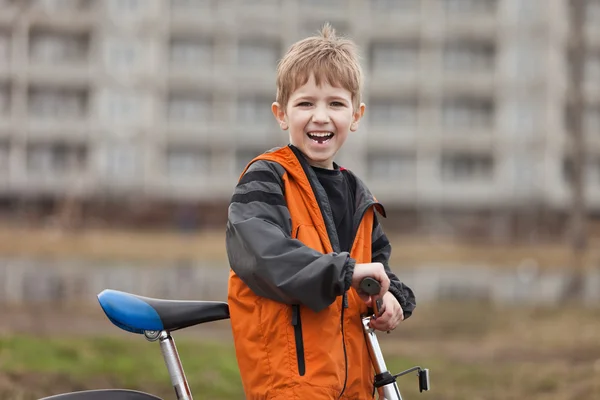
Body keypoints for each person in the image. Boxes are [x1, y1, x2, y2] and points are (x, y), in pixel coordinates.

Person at [226, 23, 416, 400]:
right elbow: (264, 257)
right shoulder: (267, 177)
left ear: (356, 115)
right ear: (282, 114)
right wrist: (346, 271)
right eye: (305, 103)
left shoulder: (357, 194)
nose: (320, 116)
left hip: (356, 384)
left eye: (335, 103)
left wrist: (393, 298)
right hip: (291, 383)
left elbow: (378, 266)